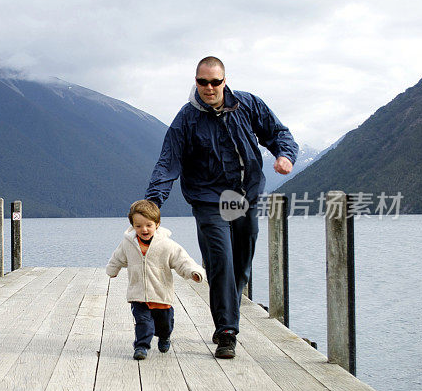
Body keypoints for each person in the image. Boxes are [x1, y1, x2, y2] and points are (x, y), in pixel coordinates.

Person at [145, 56, 298, 359]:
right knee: (221, 260)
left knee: (240, 265)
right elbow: (168, 162)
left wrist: (285, 155)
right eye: (203, 82)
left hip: (244, 196)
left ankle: (229, 307)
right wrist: (153, 202)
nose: (210, 87)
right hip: (207, 199)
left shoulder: (248, 104)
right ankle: (227, 331)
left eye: (216, 81)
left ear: (225, 81)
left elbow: (277, 133)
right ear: (196, 81)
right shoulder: (186, 119)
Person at [106, 199, 205, 360]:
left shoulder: (167, 245)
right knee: (143, 322)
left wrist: (193, 272)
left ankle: (165, 337)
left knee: (164, 324)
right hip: (138, 294)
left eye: (148, 225)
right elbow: (117, 257)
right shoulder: (128, 243)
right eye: (138, 226)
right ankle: (141, 347)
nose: (143, 229)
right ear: (132, 226)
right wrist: (112, 270)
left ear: (157, 224)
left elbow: (182, 260)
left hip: (161, 294)